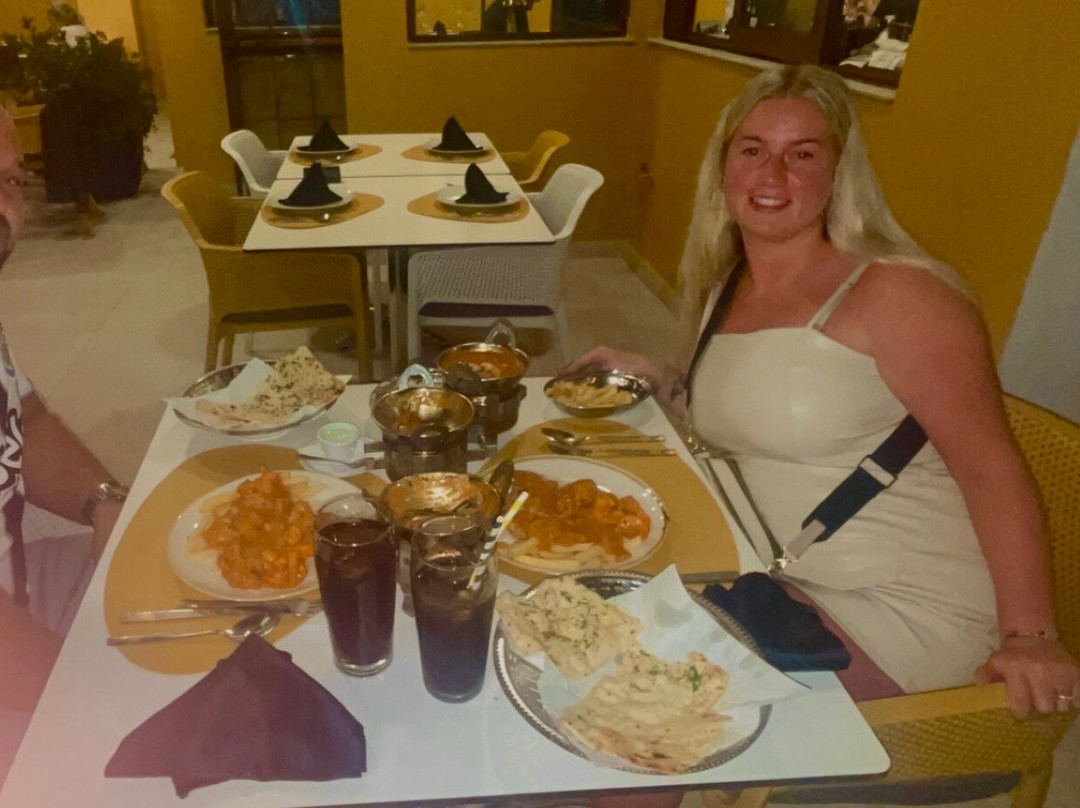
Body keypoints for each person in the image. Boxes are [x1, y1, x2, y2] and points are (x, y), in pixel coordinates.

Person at [569, 65, 1079, 723]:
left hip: (897, 607)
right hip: (781, 578)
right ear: (723, 168)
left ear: (839, 174)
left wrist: (1030, 635)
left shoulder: (902, 297)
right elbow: (756, 409)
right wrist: (661, 377)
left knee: (635, 705)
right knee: (577, 609)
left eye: (802, 155)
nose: (773, 174)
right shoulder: (731, 282)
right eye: (753, 150)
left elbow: (992, 471)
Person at [0, 106, 126, 783]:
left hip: (18, 577)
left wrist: (105, 503)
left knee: (203, 592)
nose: (3, 208)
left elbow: (22, 417)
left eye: (10, 180)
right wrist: (97, 699)